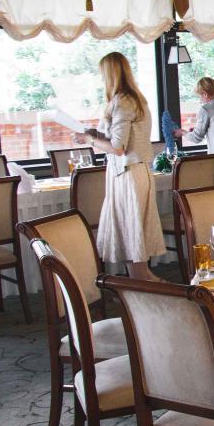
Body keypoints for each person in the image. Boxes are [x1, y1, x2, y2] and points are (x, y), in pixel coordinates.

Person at [75, 52, 166, 280]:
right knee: (130, 230)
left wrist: (90, 140)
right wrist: (95, 134)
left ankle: (144, 281)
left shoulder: (122, 101)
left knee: (130, 228)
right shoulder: (135, 98)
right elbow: (120, 137)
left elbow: (118, 147)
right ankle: (141, 280)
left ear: (110, 74)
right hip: (135, 170)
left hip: (128, 172)